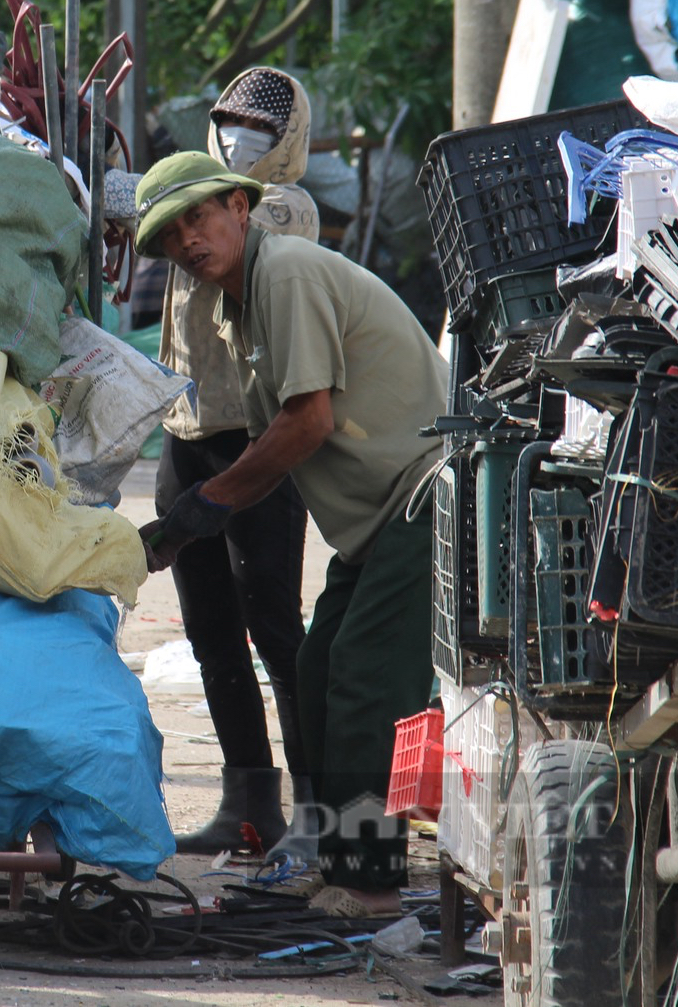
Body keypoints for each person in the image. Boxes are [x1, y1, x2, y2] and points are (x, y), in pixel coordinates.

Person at [135, 150, 446, 916]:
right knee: (316, 670)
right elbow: (272, 432)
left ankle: (372, 881)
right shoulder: (238, 306)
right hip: (379, 524)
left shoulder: (287, 273)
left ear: (241, 207)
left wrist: (208, 501)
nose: (188, 241)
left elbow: (306, 420)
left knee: (364, 682)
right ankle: (339, 860)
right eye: (171, 235)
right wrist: (181, 524)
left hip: (424, 496)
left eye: (199, 218)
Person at [154, 67, 319, 854]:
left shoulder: (281, 208)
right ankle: (248, 802)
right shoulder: (194, 204)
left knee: (276, 630)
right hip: (185, 435)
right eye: (228, 125)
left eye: (260, 130)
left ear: (287, 141)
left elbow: (263, 229)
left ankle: (317, 804)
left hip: (256, 442)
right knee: (210, 634)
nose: (239, 141)